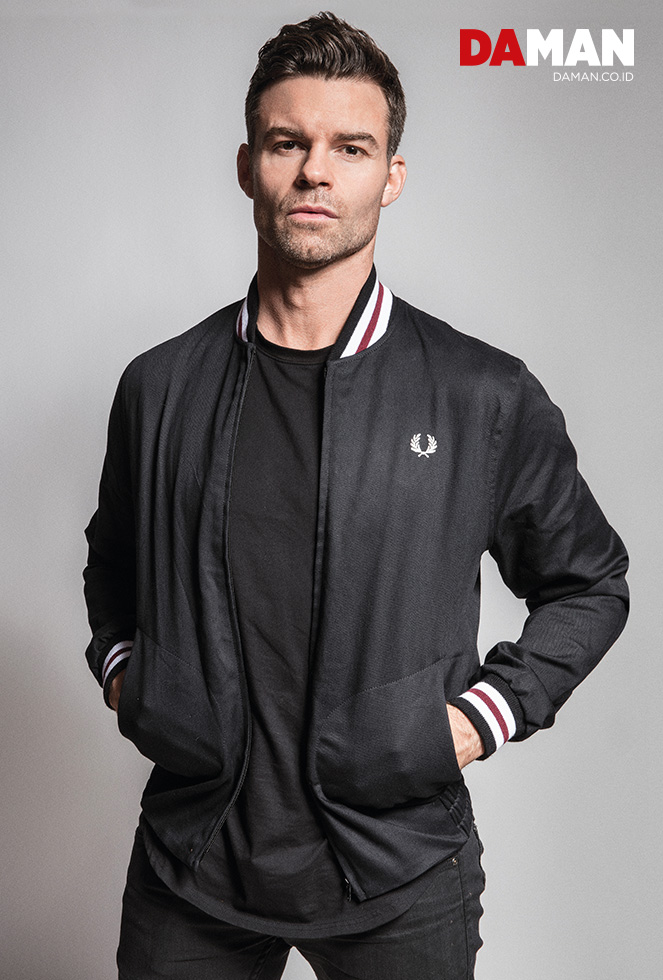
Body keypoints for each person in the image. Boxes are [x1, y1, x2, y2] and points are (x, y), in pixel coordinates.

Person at [83, 12, 629, 980]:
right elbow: (113, 562)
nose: (315, 172)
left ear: (391, 176)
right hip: (193, 859)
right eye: (287, 143)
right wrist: (134, 680)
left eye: (350, 147)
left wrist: (473, 721)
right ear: (247, 165)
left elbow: (589, 582)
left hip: (400, 870)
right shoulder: (159, 387)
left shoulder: (480, 395)